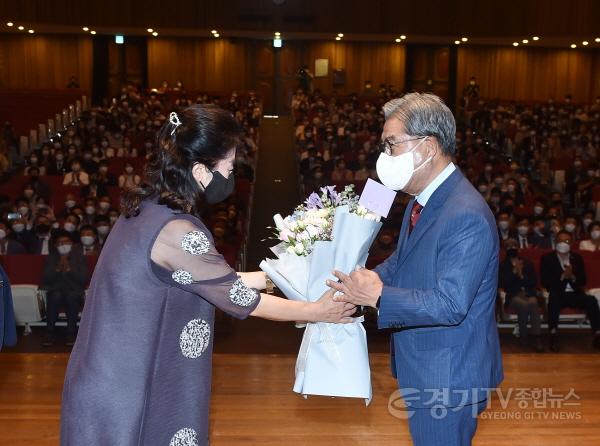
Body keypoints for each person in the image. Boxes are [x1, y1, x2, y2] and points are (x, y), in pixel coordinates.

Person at [60, 106, 355, 445]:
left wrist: (279, 274)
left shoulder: (146, 211)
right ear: (200, 171)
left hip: (114, 378)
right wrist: (318, 312)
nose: (231, 175)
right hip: (128, 391)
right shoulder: (177, 230)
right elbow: (239, 299)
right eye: (228, 167)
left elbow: (212, 281)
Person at [328, 93, 503, 446]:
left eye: (391, 145)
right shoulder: (421, 200)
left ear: (426, 148)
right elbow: (402, 261)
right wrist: (368, 278)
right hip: (427, 366)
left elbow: (450, 304)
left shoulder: (465, 213)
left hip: (447, 377)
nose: (385, 155)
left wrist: (377, 295)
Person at [541, 230, 600, 352]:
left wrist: (572, 276)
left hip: (575, 293)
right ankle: (553, 334)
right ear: (555, 242)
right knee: (554, 300)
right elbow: (545, 281)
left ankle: (598, 333)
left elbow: (583, 280)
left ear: (571, 243)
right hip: (558, 292)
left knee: (591, 300)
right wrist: (563, 276)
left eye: (566, 241)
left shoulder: (577, 258)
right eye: (560, 240)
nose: (563, 243)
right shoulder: (547, 258)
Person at [41, 233, 87, 346]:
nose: (63, 244)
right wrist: (57, 269)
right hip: (55, 290)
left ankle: (71, 333)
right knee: (55, 296)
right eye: (60, 243)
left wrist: (69, 269)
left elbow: (83, 279)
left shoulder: (80, 257)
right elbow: (46, 279)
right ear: (56, 245)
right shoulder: (51, 258)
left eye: (66, 242)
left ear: (72, 244)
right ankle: (49, 333)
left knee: (72, 296)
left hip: (74, 291)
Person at [499, 239, 543, 352]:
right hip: (513, 295)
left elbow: (533, 282)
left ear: (518, 248)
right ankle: (523, 336)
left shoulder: (527, 263)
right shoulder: (503, 265)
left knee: (533, 302)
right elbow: (503, 283)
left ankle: (537, 337)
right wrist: (514, 272)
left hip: (529, 293)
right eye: (508, 246)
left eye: (514, 245)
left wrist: (521, 275)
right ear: (504, 249)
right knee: (523, 304)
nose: (511, 248)